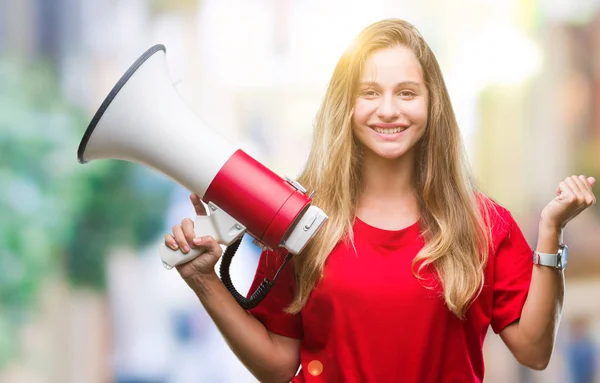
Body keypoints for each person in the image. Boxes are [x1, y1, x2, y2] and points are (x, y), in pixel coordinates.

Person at [163, 19, 597, 382]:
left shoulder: (482, 223)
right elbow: (279, 365)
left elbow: (534, 351)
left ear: (432, 105)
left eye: (406, 92)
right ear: (346, 107)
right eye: (369, 93)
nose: (388, 110)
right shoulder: (300, 219)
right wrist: (206, 282)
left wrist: (551, 231)